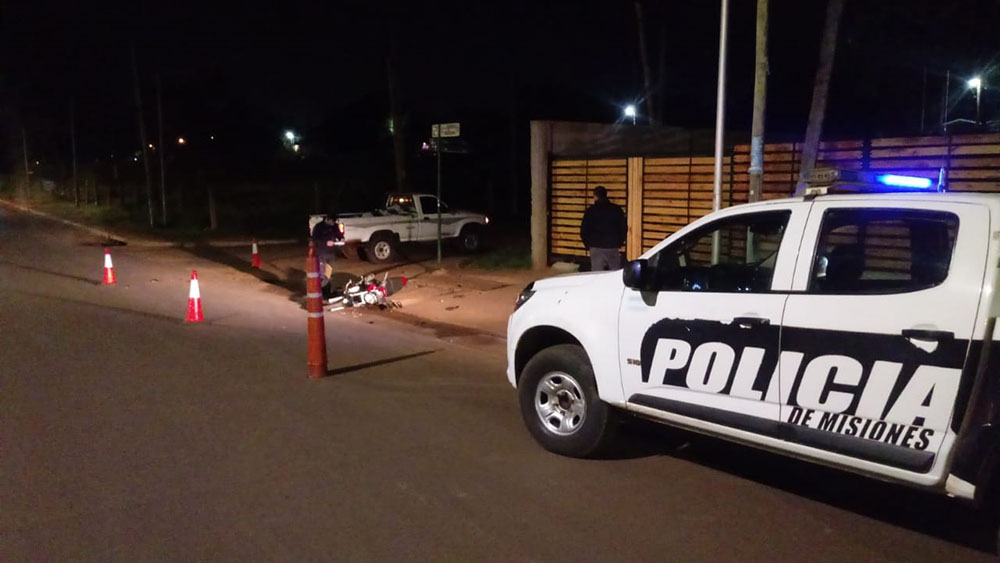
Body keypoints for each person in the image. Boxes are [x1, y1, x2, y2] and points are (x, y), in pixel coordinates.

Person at [580, 185, 627, 271]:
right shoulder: (616, 209)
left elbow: (584, 230)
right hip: (612, 245)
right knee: (614, 273)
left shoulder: (590, 211)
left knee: (596, 274)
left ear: (595, 196)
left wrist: (588, 244)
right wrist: (619, 242)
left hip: (595, 246)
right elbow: (623, 227)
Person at [311, 215, 344, 289]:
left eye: (334, 222)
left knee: (328, 270)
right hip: (322, 252)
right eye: (332, 221)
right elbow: (315, 239)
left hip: (331, 252)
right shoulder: (318, 227)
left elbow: (339, 234)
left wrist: (341, 238)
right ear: (327, 219)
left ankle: (326, 286)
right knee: (322, 271)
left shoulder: (334, 226)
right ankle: (319, 288)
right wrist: (326, 242)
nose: (333, 223)